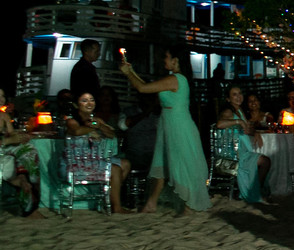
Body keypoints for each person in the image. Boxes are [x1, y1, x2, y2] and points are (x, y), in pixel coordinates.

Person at [120, 43, 212, 213]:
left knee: (182, 163)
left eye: (167, 57)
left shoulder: (176, 79)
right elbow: (145, 86)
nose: (164, 60)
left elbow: (143, 88)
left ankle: (188, 205)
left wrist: (128, 74)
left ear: (175, 60)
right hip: (169, 122)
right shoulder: (173, 78)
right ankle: (151, 203)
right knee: (162, 162)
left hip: (178, 124)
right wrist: (131, 71)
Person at [66, 91, 133, 214]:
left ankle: (106, 197)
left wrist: (99, 126)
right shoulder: (71, 121)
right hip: (79, 161)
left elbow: (111, 134)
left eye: (91, 100)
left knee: (125, 164)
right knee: (115, 169)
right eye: (84, 100)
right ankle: (116, 207)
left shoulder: (97, 120)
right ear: (77, 105)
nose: (89, 103)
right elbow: (76, 132)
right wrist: (94, 127)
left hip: (95, 159)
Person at [215, 85, 271, 203]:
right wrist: (238, 121)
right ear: (228, 99)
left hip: (243, 149)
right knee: (265, 161)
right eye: (234, 94)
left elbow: (246, 130)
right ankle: (255, 191)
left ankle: (256, 190)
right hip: (234, 153)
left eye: (240, 93)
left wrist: (254, 132)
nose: (238, 97)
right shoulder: (228, 111)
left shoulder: (240, 110)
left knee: (265, 160)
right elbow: (219, 124)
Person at [1, 88, 41, 216]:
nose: (1, 99)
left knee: (28, 148)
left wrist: (21, 136)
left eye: (2, 96)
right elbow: (8, 139)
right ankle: (23, 182)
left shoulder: (4, 116)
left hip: (5, 147)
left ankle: (29, 178)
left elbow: (12, 134)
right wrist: (8, 140)